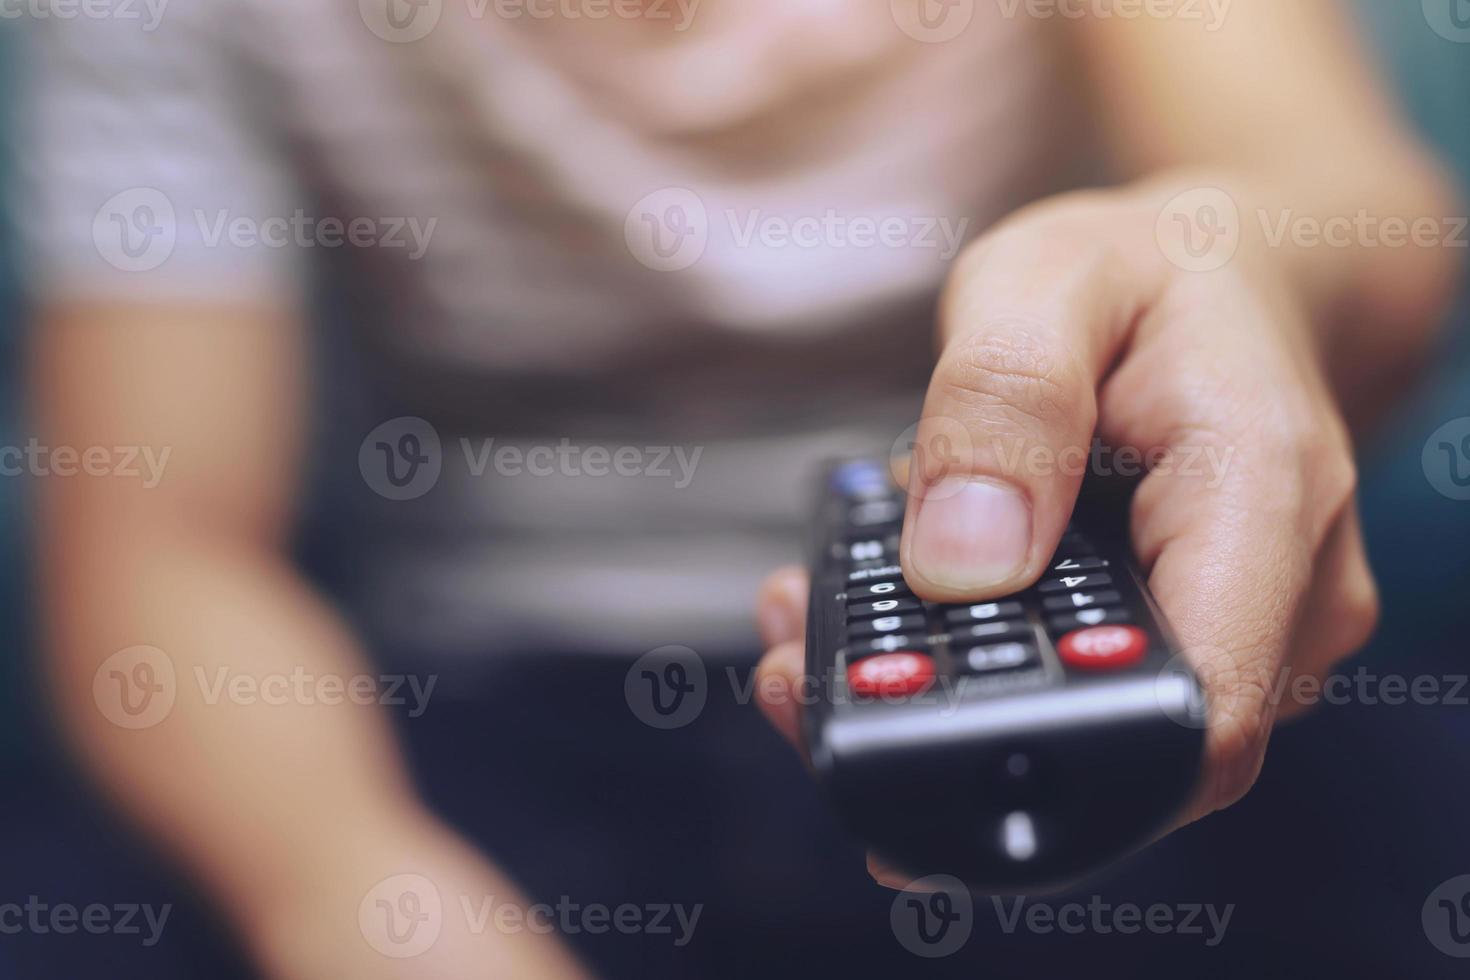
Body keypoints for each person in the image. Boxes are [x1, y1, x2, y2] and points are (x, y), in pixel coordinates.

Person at [17, 2, 1463, 977]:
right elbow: (166, 543)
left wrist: (1242, 263)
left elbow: (1332, 185)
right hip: (488, 712)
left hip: (1047, 691)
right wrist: (354, 892)